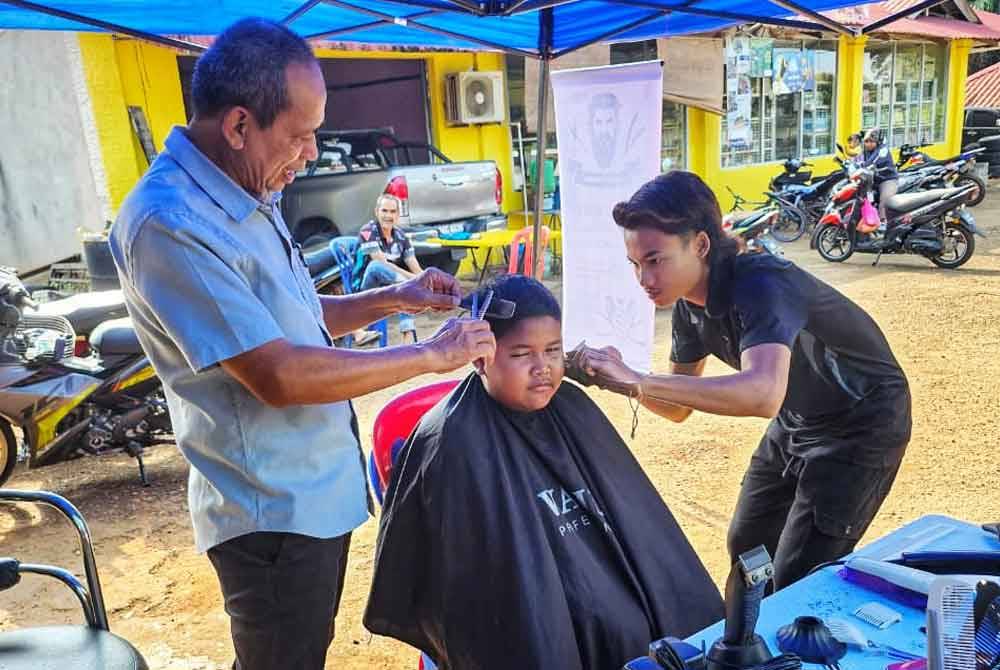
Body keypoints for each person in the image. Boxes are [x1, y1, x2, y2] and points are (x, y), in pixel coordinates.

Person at [108, 19, 495, 670]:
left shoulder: (244, 187)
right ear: (238, 126)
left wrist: (391, 299)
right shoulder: (170, 222)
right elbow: (278, 372)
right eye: (301, 134)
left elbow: (292, 317)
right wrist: (432, 355)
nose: (312, 152)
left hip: (311, 495)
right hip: (271, 514)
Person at [365, 275, 724, 670]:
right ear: (481, 356)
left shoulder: (572, 407)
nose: (543, 368)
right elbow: (468, 584)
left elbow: (639, 525)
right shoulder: (450, 439)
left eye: (553, 350)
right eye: (522, 354)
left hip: (600, 581)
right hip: (519, 608)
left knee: (662, 614)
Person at [573, 171, 911, 591]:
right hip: (798, 419)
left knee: (800, 571)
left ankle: (789, 651)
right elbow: (678, 408)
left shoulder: (762, 282)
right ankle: (745, 647)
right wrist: (615, 381)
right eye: (635, 265)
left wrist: (640, 378)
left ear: (700, 244)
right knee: (748, 546)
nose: (644, 280)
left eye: (655, 260)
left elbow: (762, 394)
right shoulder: (688, 309)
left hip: (863, 424)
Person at [352, 193, 423, 343]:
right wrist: (412, 281)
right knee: (376, 266)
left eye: (392, 212)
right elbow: (383, 264)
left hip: (391, 287)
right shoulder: (367, 231)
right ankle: (408, 336)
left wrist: (426, 279)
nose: (388, 216)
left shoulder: (401, 236)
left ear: (398, 215)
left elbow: (416, 268)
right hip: (364, 289)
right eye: (384, 211)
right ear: (376, 211)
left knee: (403, 288)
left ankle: (407, 334)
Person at [859, 128, 899, 227]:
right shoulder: (866, 150)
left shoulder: (883, 150)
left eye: (871, 142)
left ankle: (884, 224)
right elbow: (859, 160)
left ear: (877, 142)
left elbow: (872, 162)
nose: (868, 144)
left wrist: (861, 166)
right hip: (872, 180)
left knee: (885, 201)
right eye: (866, 141)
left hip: (887, 180)